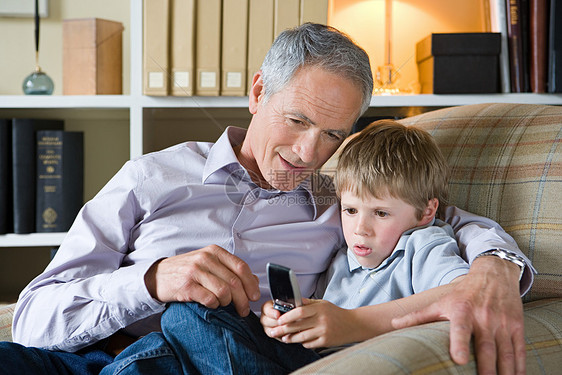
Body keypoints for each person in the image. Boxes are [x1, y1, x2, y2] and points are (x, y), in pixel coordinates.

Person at [2, 23, 533, 375]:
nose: (308, 152)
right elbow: (34, 320)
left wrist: (494, 269)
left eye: (332, 134)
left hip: (229, 356)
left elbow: (440, 217)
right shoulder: (151, 178)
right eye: (298, 120)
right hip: (95, 357)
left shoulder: (343, 194)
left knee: (192, 323)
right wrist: (151, 280)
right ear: (258, 93)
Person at [132, 119, 473, 374]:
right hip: (301, 358)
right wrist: (285, 320)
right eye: (350, 210)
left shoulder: (423, 245)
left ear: (426, 212)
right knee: (184, 315)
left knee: (183, 327)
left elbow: (464, 293)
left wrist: (353, 322)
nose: (360, 229)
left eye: (381, 213)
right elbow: (316, 317)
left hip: (343, 363)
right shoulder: (344, 256)